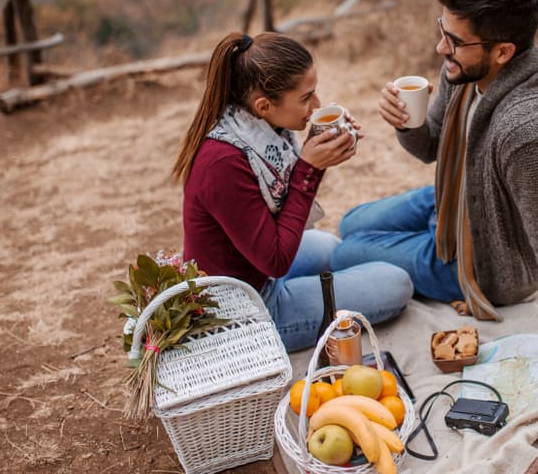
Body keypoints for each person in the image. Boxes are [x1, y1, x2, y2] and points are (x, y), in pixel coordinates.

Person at [331, 0, 538, 414]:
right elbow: (431, 147)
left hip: (485, 261)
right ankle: (424, 236)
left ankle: (428, 253)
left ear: (503, 51)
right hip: (456, 202)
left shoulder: (530, 135)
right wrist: (408, 123)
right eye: (442, 31)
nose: (440, 47)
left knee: (345, 254)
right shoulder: (466, 70)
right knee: (349, 224)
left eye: (454, 41)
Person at [172, 31, 413, 352]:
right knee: (397, 283)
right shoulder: (223, 164)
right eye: (306, 98)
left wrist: (319, 146)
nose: (316, 105)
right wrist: (309, 169)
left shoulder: (257, 130)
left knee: (330, 247)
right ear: (263, 105)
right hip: (245, 307)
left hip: (254, 268)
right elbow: (276, 260)